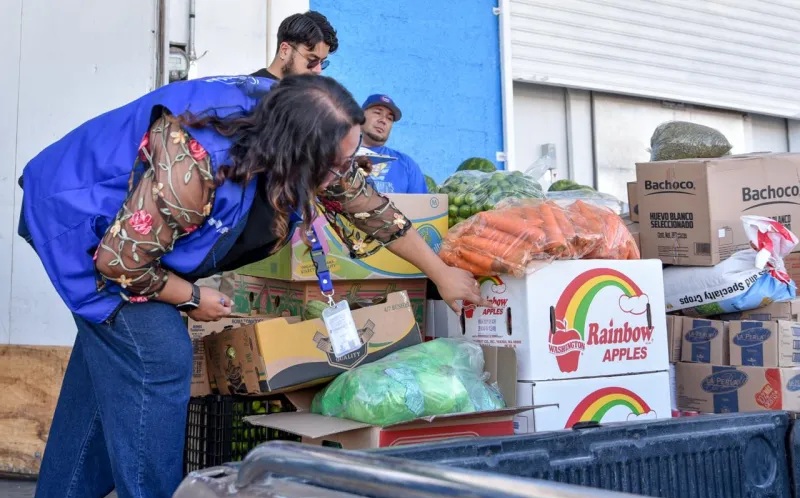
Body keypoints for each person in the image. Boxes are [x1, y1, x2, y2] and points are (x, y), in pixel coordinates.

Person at [18, 74, 486, 498]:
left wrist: (440, 272)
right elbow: (122, 262)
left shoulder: (303, 128)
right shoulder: (196, 162)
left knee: (115, 369)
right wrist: (192, 297)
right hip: (85, 226)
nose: (339, 175)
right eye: (334, 164)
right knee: (158, 356)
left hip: (134, 241)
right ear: (296, 152)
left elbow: (365, 203)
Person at [360, 93, 428, 194]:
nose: (383, 120)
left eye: (389, 118)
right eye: (378, 113)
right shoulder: (339, 158)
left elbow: (421, 206)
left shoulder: (407, 165)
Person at [251, 11, 337, 80]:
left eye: (322, 63)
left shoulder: (308, 95)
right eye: (312, 61)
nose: (318, 70)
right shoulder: (245, 93)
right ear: (285, 51)